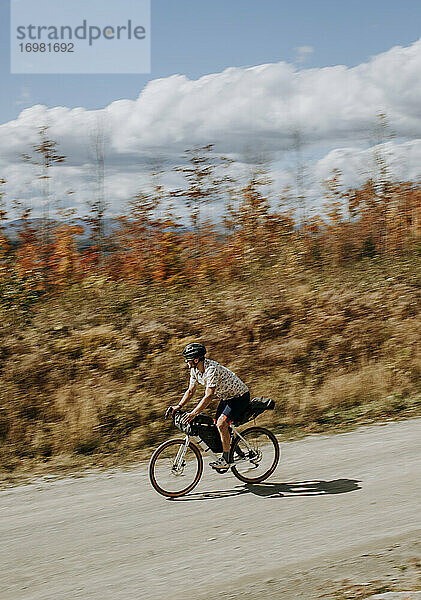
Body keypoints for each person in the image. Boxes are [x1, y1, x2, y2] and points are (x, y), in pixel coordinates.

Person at [166, 342, 250, 471]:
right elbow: (190, 391)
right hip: (227, 398)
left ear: (196, 359)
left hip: (240, 397)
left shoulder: (211, 369)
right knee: (216, 425)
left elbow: (209, 395)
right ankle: (234, 451)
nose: (185, 362)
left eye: (187, 359)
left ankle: (226, 459)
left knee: (222, 424)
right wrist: (178, 406)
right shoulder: (194, 370)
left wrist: (193, 413)